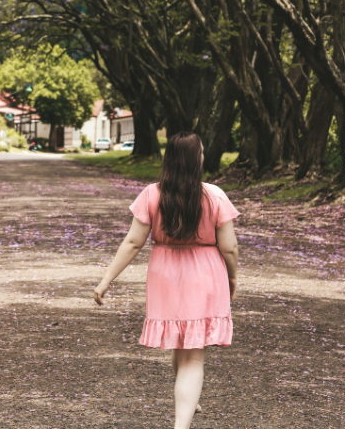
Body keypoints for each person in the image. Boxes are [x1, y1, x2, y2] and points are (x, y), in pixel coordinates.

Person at [93, 132, 239, 429]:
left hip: (165, 273)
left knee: (179, 341)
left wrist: (106, 279)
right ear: (196, 159)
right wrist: (233, 276)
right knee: (193, 358)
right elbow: (229, 246)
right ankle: (181, 424)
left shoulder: (152, 193)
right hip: (204, 271)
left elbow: (133, 242)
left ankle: (188, 394)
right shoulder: (214, 195)